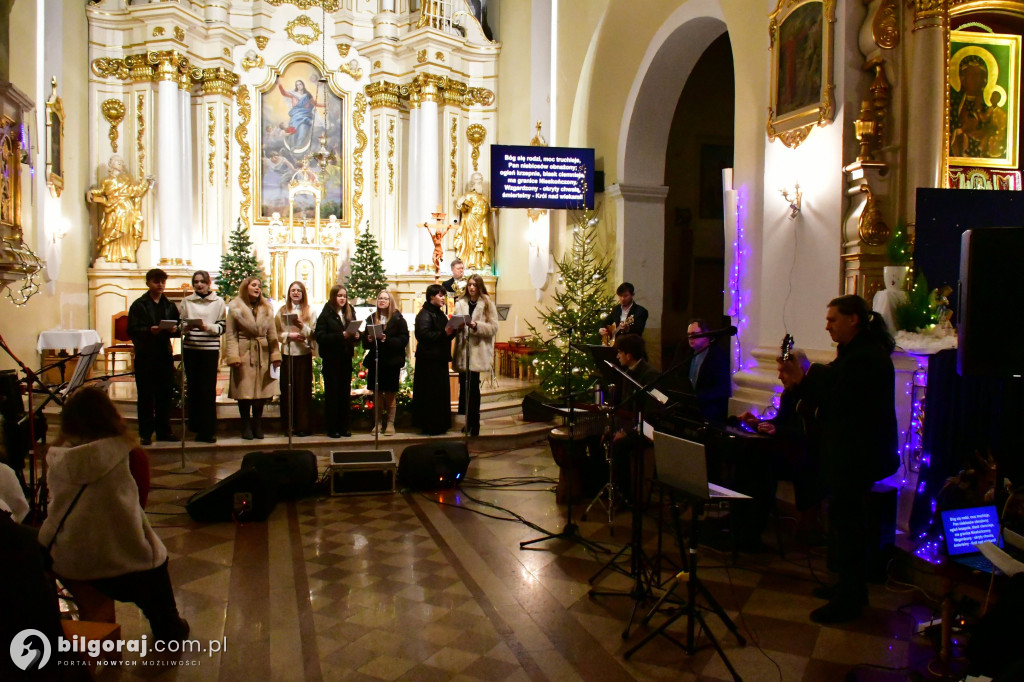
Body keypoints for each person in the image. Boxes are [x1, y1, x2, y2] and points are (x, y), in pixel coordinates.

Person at [778, 294, 898, 624]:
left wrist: (804, 380)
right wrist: (800, 384)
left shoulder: (867, 358)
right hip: (847, 454)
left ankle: (849, 599)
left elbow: (840, 400)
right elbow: (828, 392)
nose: (827, 325)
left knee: (849, 527)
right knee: (844, 523)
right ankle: (848, 588)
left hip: (858, 456)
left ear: (853, 319)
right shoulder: (853, 354)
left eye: (832, 319)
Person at [37, 386, 189, 642]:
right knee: (157, 562)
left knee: (97, 592)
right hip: (124, 558)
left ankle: (98, 633)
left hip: (70, 557)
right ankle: (166, 625)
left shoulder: (56, 457)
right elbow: (139, 505)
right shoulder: (129, 454)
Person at [126, 268, 180, 445]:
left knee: (165, 394)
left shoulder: (169, 305)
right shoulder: (139, 305)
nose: (161, 285)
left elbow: (178, 327)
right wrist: (149, 330)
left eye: (163, 282)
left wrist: (174, 330)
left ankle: (164, 430)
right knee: (146, 396)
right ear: (148, 283)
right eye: (157, 281)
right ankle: (146, 432)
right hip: (145, 356)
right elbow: (132, 330)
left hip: (164, 355)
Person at [224, 277, 282, 440]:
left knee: (261, 392)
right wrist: (233, 355)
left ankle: (257, 423)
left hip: (262, 352)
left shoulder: (266, 307)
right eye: (254, 285)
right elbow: (231, 334)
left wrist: (275, 355)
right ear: (246, 287)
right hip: (244, 351)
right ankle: (245, 424)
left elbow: (272, 334)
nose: (257, 288)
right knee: (245, 391)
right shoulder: (235, 307)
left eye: (259, 286)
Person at [609, 334, 660, 505]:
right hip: (632, 425)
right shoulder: (627, 372)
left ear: (629, 355)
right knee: (602, 438)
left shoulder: (649, 375)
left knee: (619, 446)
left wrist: (628, 432)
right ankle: (610, 487)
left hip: (647, 430)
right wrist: (617, 428)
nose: (617, 356)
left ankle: (627, 496)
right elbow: (625, 408)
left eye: (620, 353)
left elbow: (651, 413)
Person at [179, 270, 226, 443]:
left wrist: (208, 327)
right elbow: (180, 324)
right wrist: (186, 328)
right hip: (191, 348)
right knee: (193, 389)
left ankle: (208, 430)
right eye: (196, 282)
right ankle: (195, 427)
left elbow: (222, 327)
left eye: (202, 282)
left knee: (207, 390)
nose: (199, 285)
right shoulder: (187, 301)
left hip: (209, 349)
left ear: (208, 283)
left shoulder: (218, 302)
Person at [452, 274, 498, 437]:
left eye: (474, 285)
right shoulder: (460, 303)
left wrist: (475, 325)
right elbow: (456, 324)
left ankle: (475, 423)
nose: (471, 288)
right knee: (464, 389)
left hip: (477, 350)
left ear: (480, 287)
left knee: (473, 389)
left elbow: (493, 328)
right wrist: (455, 326)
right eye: (470, 285)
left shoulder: (486, 303)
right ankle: (467, 422)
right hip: (463, 350)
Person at [87, 154, 155, 264]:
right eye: (117, 161)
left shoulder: (127, 179)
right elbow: (101, 191)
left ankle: (125, 255)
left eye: (121, 161)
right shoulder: (106, 181)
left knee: (124, 232)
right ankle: (107, 254)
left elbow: (135, 190)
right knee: (110, 229)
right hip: (112, 208)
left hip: (126, 207)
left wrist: (145, 182)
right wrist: (91, 192)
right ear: (111, 164)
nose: (120, 163)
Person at [362, 289, 409, 436]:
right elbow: (364, 342)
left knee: (389, 393)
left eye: (385, 299)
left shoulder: (398, 319)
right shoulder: (371, 318)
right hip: (376, 360)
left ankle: (390, 423)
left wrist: (385, 339)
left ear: (390, 301)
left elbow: (403, 340)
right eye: (380, 298)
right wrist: (369, 339)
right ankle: (377, 423)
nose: (382, 301)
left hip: (391, 361)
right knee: (377, 393)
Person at [316, 284, 359, 438]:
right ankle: (332, 427)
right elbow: (320, 337)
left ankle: (344, 426)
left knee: (344, 394)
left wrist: (356, 336)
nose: (342, 299)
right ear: (333, 297)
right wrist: (341, 335)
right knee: (333, 394)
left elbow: (354, 330)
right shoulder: (326, 314)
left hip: (345, 358)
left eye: (344, 296)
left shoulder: (349, 311)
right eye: (339, 296)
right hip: (331, 359)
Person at [413, 284, 455, 435]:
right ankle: (430, 425)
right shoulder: (424, 314)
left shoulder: (440, 314)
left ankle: (441, 424)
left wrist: (454, 330)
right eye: (440, 295)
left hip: (439, 359)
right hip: (428, 361)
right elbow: (423, 335)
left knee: (440, 394)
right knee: (431, 394)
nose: (443, 298)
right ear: (431, 297)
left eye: (443, 295)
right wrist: (445, 332)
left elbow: (444, 334)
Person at [670, 318, 732, 423]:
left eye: (694, 334)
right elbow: (677, 376)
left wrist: (698, 398)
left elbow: (723, 389)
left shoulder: (717, 355)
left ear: (706, 334)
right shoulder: (687, 353)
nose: (691, 337)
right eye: (688, 334)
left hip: (709, 411)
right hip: (688, 408)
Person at [276, 281, 316, 437]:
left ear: (303, 293)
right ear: (289, 293)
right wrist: (289, 335)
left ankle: (303, 426)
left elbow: (313, 333)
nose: (296, 293)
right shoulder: (282, 311)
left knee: (302, 392)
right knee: (288, 390)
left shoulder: (310, 311)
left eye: (299, 290)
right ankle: (288, 425)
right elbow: (276, 333)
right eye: (293, 290)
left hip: (303, 354)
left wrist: (301, 327)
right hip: (288, 354)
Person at [454, 172, 491, 270]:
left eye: (480, 179)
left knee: (484, 238)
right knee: (472, 240)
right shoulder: (468, 195)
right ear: (473, 182)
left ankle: (483, 262)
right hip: (471, 220)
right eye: (476, 179)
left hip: (482, 220)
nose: (478, 181)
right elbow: (464, 209)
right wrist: (460, 203)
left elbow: (489, 209)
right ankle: (471, 263)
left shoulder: (485, 197)